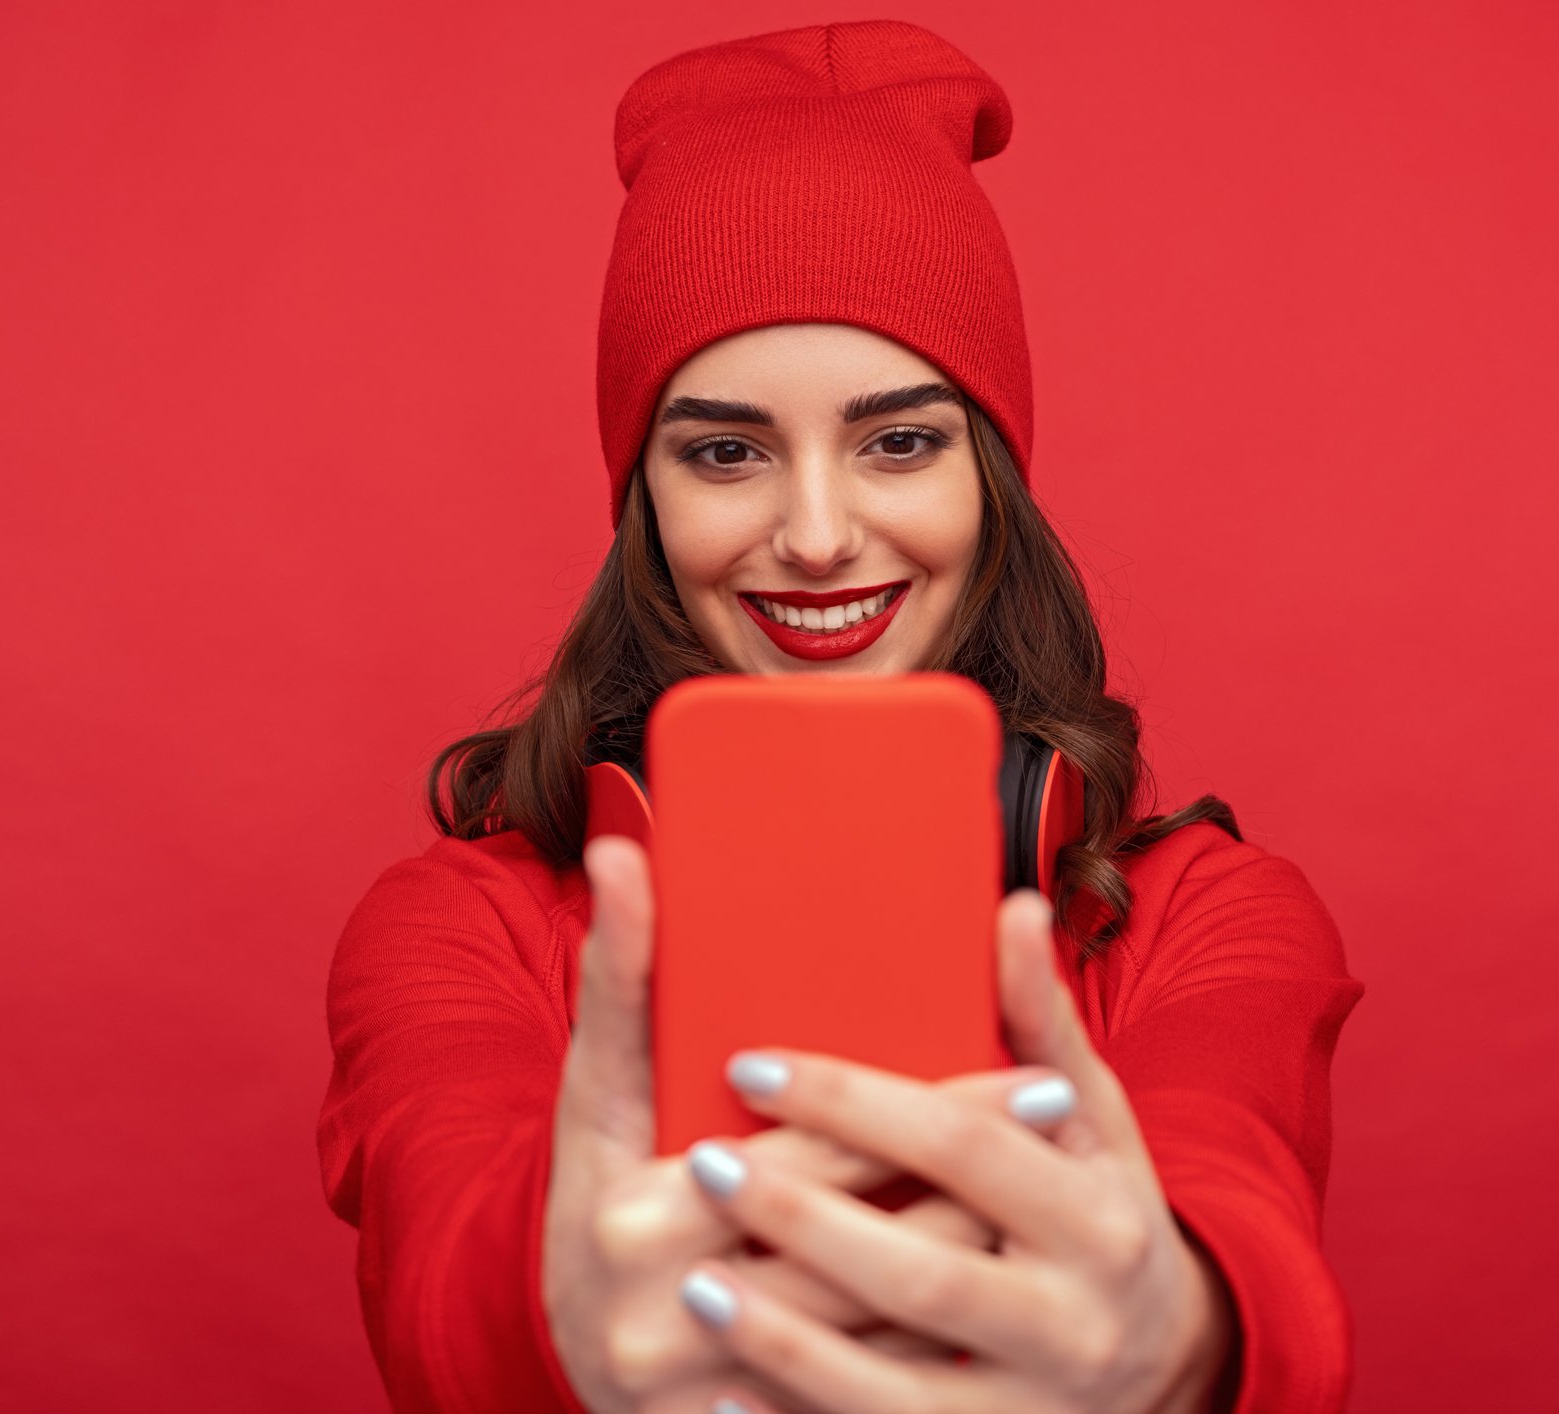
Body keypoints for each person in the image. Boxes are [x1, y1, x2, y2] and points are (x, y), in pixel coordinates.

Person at [316, 20, 1363, 1414]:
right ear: (646, 501)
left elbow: (1234, 1193)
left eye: (900, 439)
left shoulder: (1208, 917)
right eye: (726, 450)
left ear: (991, 479)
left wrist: (1176, 1325)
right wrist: (548, 1297)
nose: (815, 534)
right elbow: (441, 1278)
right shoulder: (456, 928)